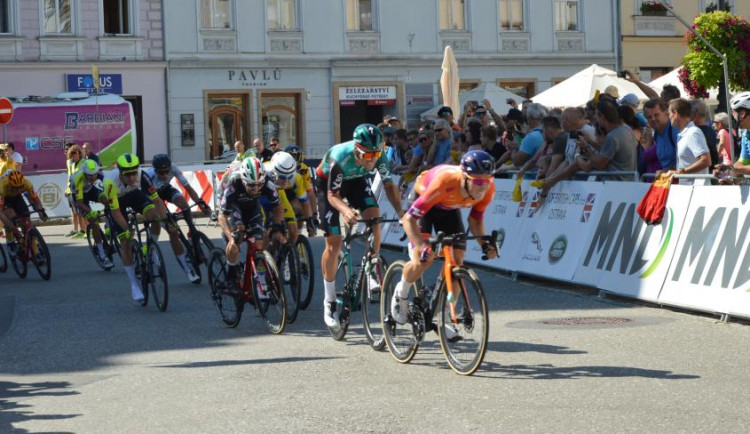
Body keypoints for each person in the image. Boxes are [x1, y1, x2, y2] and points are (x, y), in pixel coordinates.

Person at [390, 150, 497, 325]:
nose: (483, 186)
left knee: (457, 261)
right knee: (423, 259)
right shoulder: (445, 182)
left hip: (448, 207)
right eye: (477, 181)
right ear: (464, 177)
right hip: (425, 202)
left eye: (487, 181)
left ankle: (446, 315)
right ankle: (401, 292)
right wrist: (421, 245)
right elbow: (409, 219)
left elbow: (475, 220)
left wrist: (485, 245)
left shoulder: (488, 190)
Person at [315, 123, 404, 329]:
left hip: (356, 180)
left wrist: (400, 212)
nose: (372, 160)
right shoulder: (340, 156)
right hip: (327, 184)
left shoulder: (377, 156)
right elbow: (332, 195)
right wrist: (346, 210)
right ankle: (329, 301)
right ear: (356, 150)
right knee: (334, 244)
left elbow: (389, 185)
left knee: (374, 216)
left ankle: (371, 265)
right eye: (366, 157)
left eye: (375, 155)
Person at [218, 157, 284, 291]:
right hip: (234, 205)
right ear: (243, 180)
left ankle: (258, 273)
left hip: (252, 206)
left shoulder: (267, 182)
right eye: (251, 185)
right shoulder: (233, 183)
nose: (256, 188)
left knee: (259, 242)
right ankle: (231, 275)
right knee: (238, 235)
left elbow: (278, 207)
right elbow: (222, 216)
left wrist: (275, 226)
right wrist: (231, 238)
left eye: (259, 184)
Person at [144, 154, 211, 229]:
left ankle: (192, 230)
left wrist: (200, 205)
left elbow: (188, 188)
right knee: (169, 225)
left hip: (165, 188)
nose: (165, 175)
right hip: (153, 195)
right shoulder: (149, 175)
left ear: (170, 168)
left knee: (185, 206)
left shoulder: (173, 168)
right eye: (161, 173)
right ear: (155, 171)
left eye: (167, 171)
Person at [71, 159, 113, 269]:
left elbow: (108, 188)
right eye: (89, 176)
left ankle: (109, 225)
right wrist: (92, 212)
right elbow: (79, 203)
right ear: (84, 173)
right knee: (94, 221)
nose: (93, 177)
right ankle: (102, 255)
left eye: (94, 174)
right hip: (78, 197)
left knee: (106, 200)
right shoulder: (78, 179)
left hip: (90, 190)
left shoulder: (98, 174)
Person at [264, 151, 314, 242]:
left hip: (279, 194)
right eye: (283, 177)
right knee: (266, 232)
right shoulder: (264, 172)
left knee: (294, 231)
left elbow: (305, 202)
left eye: (289, 176)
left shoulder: (296, 178)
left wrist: (309, 219)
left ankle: (290, 252)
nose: (286, 181)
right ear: (274, 172)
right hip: (264, 195)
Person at [661, 98, 710, 185]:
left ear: (675, 113)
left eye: (669, 114)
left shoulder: (693, 132)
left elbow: (706, 161)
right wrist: (669, 171)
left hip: (698, 191)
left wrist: (681, 172)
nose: (669, 117)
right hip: (687, 189)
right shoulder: (684, 133)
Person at [0, 170, 48, 257]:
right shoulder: (2, 186)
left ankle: (34, 247)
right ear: (10, 184)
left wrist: (41, 212)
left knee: (26, 218)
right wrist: (9, 224)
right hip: (5, 198)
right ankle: (11, 241)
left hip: (17, 198)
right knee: (10, 217)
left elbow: (36, 200)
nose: (18, 190)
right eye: (16, 188)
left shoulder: (27, 183)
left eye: (20, 187)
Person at [283, 144, 320, 225]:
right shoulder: (280, 166)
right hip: (282, 190)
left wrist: (314, 215)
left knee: (301, 208)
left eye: (296, 168)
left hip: (296, 190)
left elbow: (310, 192)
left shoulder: (303, 168)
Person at [643, 98, 678, 171]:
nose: (653, 119)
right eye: (649, 117)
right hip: (668, 178)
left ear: (666, 113)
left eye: (656, 115)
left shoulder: (674, 129)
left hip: (680, 179)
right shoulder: (656, 133)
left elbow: (684, 160)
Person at [65, 145, 87, 238]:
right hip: (72, 190)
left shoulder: (84, 162)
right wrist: (67, 189)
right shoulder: (72, 163)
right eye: (72, 154)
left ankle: (89, 229)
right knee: (77, 212)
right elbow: (71, 177)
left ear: (79, 153)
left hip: (82, 190)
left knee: (84, 212)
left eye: (76, 153)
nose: (74, 155)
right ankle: (82, 230)